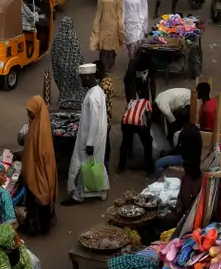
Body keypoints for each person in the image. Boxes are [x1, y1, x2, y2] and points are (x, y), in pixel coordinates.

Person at [67, 65, 109, 204]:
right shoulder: (99, 91)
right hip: (99, 136)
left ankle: (78, 196)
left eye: (81, 78)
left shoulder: (92, 96)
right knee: (97, 164)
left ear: (87, 77)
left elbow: (94, 121)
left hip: (90, 138)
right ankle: (101, 192)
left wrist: (89, 142)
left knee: (83, 166)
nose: (81, 82)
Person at [20, 96, 59, 235]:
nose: (28, 114)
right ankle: (35, 225)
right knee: (33, 197)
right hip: (33, 169)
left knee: (41, 196)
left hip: (41, 170)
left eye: (30, 111)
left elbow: (45, 155)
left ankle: (42, 227)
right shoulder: (34, 123)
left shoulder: (43, 130)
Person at [118, 74, 155, 175]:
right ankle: (150, 169)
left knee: (125, 143)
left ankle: (121, 166)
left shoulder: (131, 102)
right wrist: (148, 132)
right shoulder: (147, 102)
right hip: (137, 123)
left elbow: (125, 115)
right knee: (147, 144)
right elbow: (149, 117)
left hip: (125, 122)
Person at [90, 0, 125, 75]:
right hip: (103, 23)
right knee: (103, 44)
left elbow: (119, 10)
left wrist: (120, 23)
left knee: (111, 44)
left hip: (113, 24)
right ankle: (103, 64)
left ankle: (110, 62)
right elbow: (99, 11)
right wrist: (96, 23)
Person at [51, 16, 84, 110]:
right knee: (75, 87)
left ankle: (65, 101)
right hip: (74, 71)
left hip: (62, 71)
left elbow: (54, 56)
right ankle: (76, 101)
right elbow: (80, 55)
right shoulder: (73, 38)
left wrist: (58, 69)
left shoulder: (57, 39)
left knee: (64, 87)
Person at [121, 0, 149, 64]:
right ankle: (132, 61)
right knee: (129, 45)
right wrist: (122, 23)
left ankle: (134, 62)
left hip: (138, 24)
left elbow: (144, 12)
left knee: (136, 43)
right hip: (128, 24)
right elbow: (123, 10)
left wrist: (143, 25)